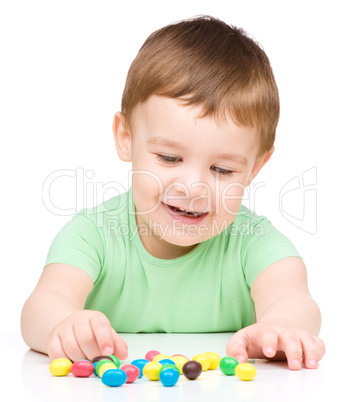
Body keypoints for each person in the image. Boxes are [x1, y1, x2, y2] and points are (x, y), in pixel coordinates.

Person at [21, 15, 325, 370]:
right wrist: (62, 324)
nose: (192, 186)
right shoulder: (93, 234)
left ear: (256, 166)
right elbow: (42, 304)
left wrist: (281, 328)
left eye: (221, 169)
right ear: (126, 138)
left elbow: (294, 298)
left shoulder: (254, 242)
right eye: (169, 158)